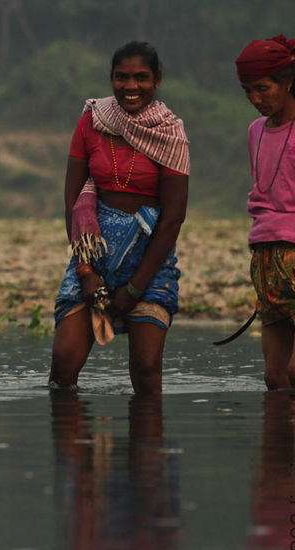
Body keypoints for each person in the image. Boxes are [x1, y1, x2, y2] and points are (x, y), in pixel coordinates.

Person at [49, 41, 190, 395]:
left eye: (141, 77)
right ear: (110, 79)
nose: (131, 86)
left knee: (146, 370)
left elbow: (173, 218)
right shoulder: (91, 121)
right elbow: (73, 199)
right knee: (63, 365)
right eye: (121, 77)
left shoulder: (170, 132)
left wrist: (135, 288)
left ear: (157, 80)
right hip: (93, 254)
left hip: (150, 260)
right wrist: (85, 270)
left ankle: (145, 448)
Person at [235, 35, 295, 390]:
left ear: (288, 82)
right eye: (247, 90)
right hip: (265, 261)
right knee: (275, 379)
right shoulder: (255, 131)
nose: (255, 99)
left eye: (263, 89)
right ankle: (280, 445)